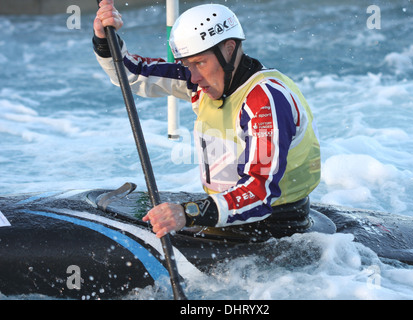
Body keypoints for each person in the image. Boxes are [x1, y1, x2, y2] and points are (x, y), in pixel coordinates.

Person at [93, 0, 321, 240]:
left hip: (276, 229)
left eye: (200, 63)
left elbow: (259, 192)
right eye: (186, 65)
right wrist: (105, 39)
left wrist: (188, 213)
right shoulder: (203, 79)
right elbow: (133, 74)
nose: (193, 76)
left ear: (229, 49)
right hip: (225, 215)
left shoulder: (266, 102)